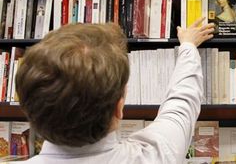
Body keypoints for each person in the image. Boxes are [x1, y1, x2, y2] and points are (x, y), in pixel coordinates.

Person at [14, 17, 215, 164]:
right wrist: (188, 46)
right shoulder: (156, 156)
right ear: (119, 107)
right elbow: (181, 103)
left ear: (29, 109)